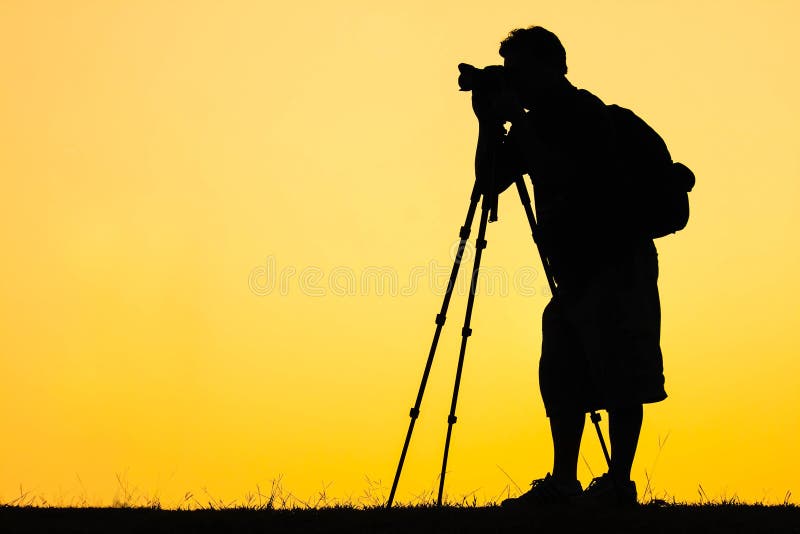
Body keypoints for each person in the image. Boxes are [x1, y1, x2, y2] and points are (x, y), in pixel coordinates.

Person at [471, 26, 668, 507]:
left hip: (619, 261)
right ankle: (565, 481)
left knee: (622, 371)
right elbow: (488, 182)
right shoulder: (531, 126)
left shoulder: (588, 115)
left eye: (521, 70)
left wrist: (517, 119)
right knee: (562, 371)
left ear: (554, 65)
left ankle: (618, 482)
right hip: (574, 271)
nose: (515, 81)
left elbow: (572, 171)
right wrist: (487, 122)